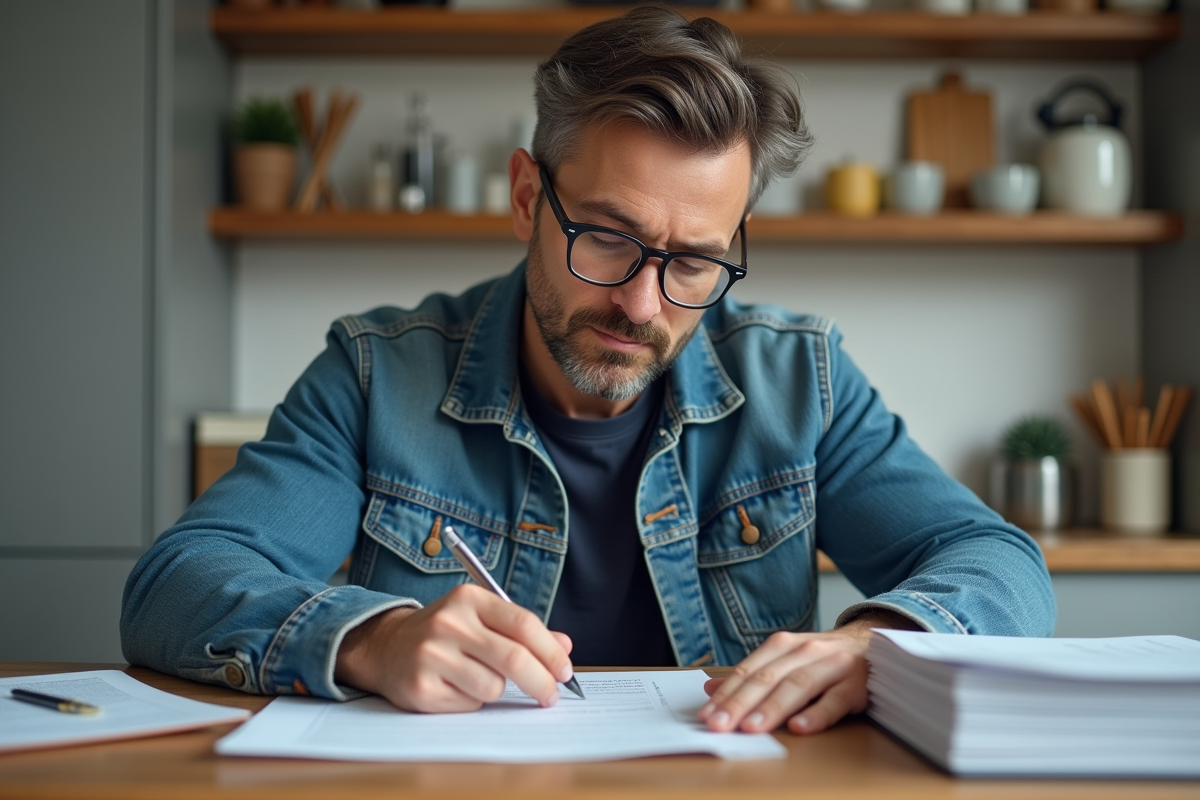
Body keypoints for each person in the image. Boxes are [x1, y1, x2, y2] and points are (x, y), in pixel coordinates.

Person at [121, 6, 1054, 737]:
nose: (644, 305)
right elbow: (179, 582)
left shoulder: (798, 381)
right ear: (528, 197)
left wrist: (882, 647)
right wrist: (369, 638)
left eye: (694, 261)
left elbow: (999, 565)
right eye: (607, 239)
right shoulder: (376, 375)